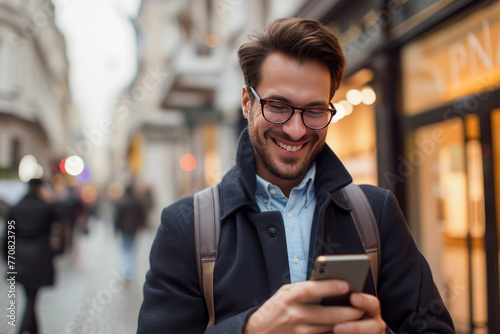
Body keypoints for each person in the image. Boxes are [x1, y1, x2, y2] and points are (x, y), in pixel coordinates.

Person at [138, 18, 455, 333]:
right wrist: (250, 330)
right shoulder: (185, 228)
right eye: (278, 105)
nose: (296, 129)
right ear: (247, 102)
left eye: (314, 111)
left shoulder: (378, 213)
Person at [5, 178, 60, 334]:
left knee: (30, 296)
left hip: (20, 257)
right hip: (40, 257)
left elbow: (9, 235)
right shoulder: (47, 207)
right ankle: (24, 330)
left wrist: (7, 258)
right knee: (32, 298)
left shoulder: (16, 207)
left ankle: (31, 330)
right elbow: (60, 224)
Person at [114, 184, 146, 280]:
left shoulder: (122, 202)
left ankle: (125, 271)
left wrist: (115, 229)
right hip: (133, 229)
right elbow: (142, 216)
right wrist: (141, 225)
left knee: (124, 249)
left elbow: (117, 218)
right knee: (132, 249)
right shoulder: (137, 202)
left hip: (124, 230)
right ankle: (131, 271)